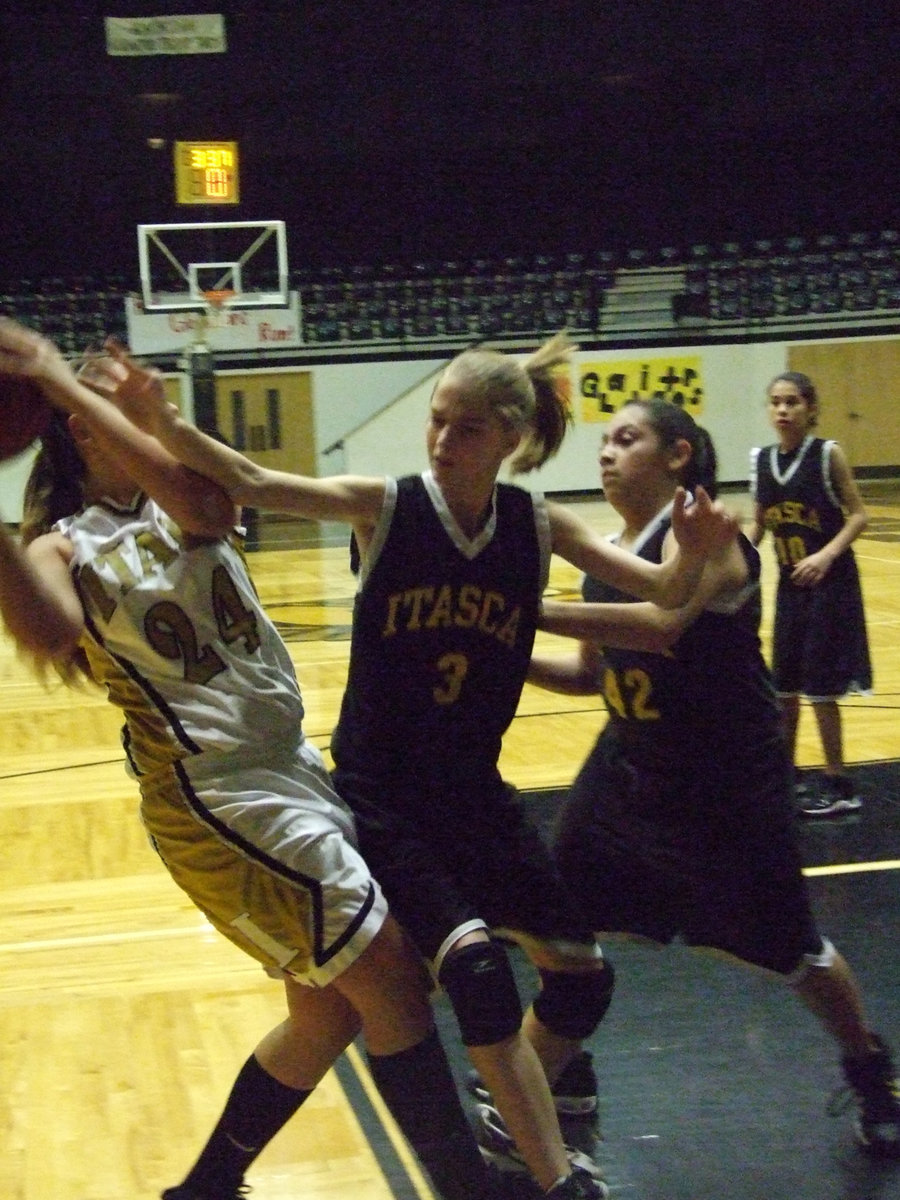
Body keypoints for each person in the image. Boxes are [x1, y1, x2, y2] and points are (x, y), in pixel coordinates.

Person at [93, 330, 738, 1197]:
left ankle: (503, 1114)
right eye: (437, 420)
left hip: (476, 793)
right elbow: (251, 483)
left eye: (466, 428)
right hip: (384, 795)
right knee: (471, 970)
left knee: (581, 980)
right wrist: (161, 419)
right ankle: (555, 1178)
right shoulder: (387, 506)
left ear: (509, 437)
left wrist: (693, 554)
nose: (442, 441)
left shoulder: (539, 524)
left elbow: (661, 596)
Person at [0, 317, 502, 1200]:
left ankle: (202, 1190)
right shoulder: (66, 544)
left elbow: (210, 509)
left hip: (287, 769)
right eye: (115, 400)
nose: (147, 408)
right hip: (217, 795)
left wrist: (79, 389)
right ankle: (467, 1190)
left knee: (328, 1013)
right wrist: (54, 383)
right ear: (78, 425)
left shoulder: (178, 497)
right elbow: (44, 629)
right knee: (389, 980)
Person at [525, 397, 899, 1160]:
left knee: (792, 951)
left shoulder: (714, 538)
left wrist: (517, 611)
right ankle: (561, 1072)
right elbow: (586, 675)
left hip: (724, 784)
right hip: (629, 769)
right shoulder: (612, 552)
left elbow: (663, 630)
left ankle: (870, 1069)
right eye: (601, 442)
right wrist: (493, 650)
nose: (605, 453)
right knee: (553, 916)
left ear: (678, 455)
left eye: (626, 439)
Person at [749, 370, 872, 817]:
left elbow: (858, 515)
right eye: (776, 402)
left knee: (820, 689)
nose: (782, 410)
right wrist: (734, 560)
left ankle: (839, 782)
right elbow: (758, 526)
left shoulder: (826, 455)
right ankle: (785, 775)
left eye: (793, 402)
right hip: (789, 586)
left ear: (811, 408)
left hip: (831, 585)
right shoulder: (762, 461)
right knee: (784, 687)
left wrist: (826, 555)